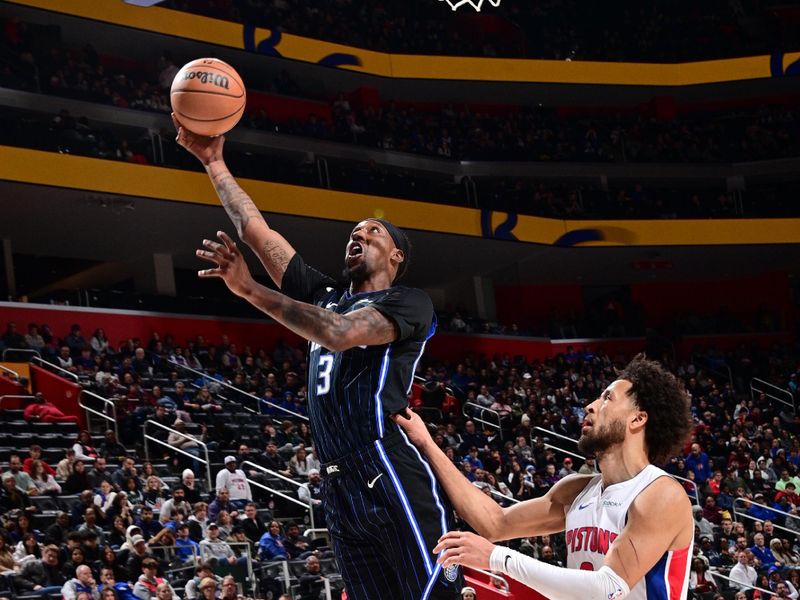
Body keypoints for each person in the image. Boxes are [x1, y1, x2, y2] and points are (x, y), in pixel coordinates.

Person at [176, 115, 462, 599]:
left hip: (385, 465)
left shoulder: (408, 301)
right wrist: (214, 162)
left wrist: (249, 291)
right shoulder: (325, 293)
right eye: (354, 231)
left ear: (396, 256)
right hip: (335, 483)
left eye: (372, 232)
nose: (358, 235)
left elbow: (339, 334)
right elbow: (255, 230)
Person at [395, 356, 694, 599]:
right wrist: (426, 443)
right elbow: (494, 523)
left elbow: (608, 589)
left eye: (606, 398)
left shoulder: (661, 494)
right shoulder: (576, 491)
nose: (590, 406)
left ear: (638, 418)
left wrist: (498, 559)